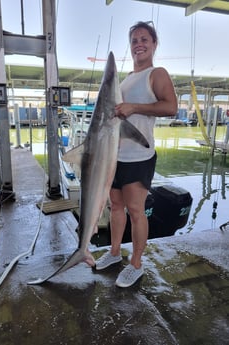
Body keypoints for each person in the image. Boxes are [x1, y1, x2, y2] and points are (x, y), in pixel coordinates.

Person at [95, 21, 178, 287]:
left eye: (144, 39)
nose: (138, 44)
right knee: (116, 208)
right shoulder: (127, 78)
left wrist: (134, 107)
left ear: (154, 44)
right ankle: (115, 252)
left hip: (139, 157)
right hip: (115, 157)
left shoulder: (157, 73)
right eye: (134, 40)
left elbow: (171, 107)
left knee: (136, 211)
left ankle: (136, 265)